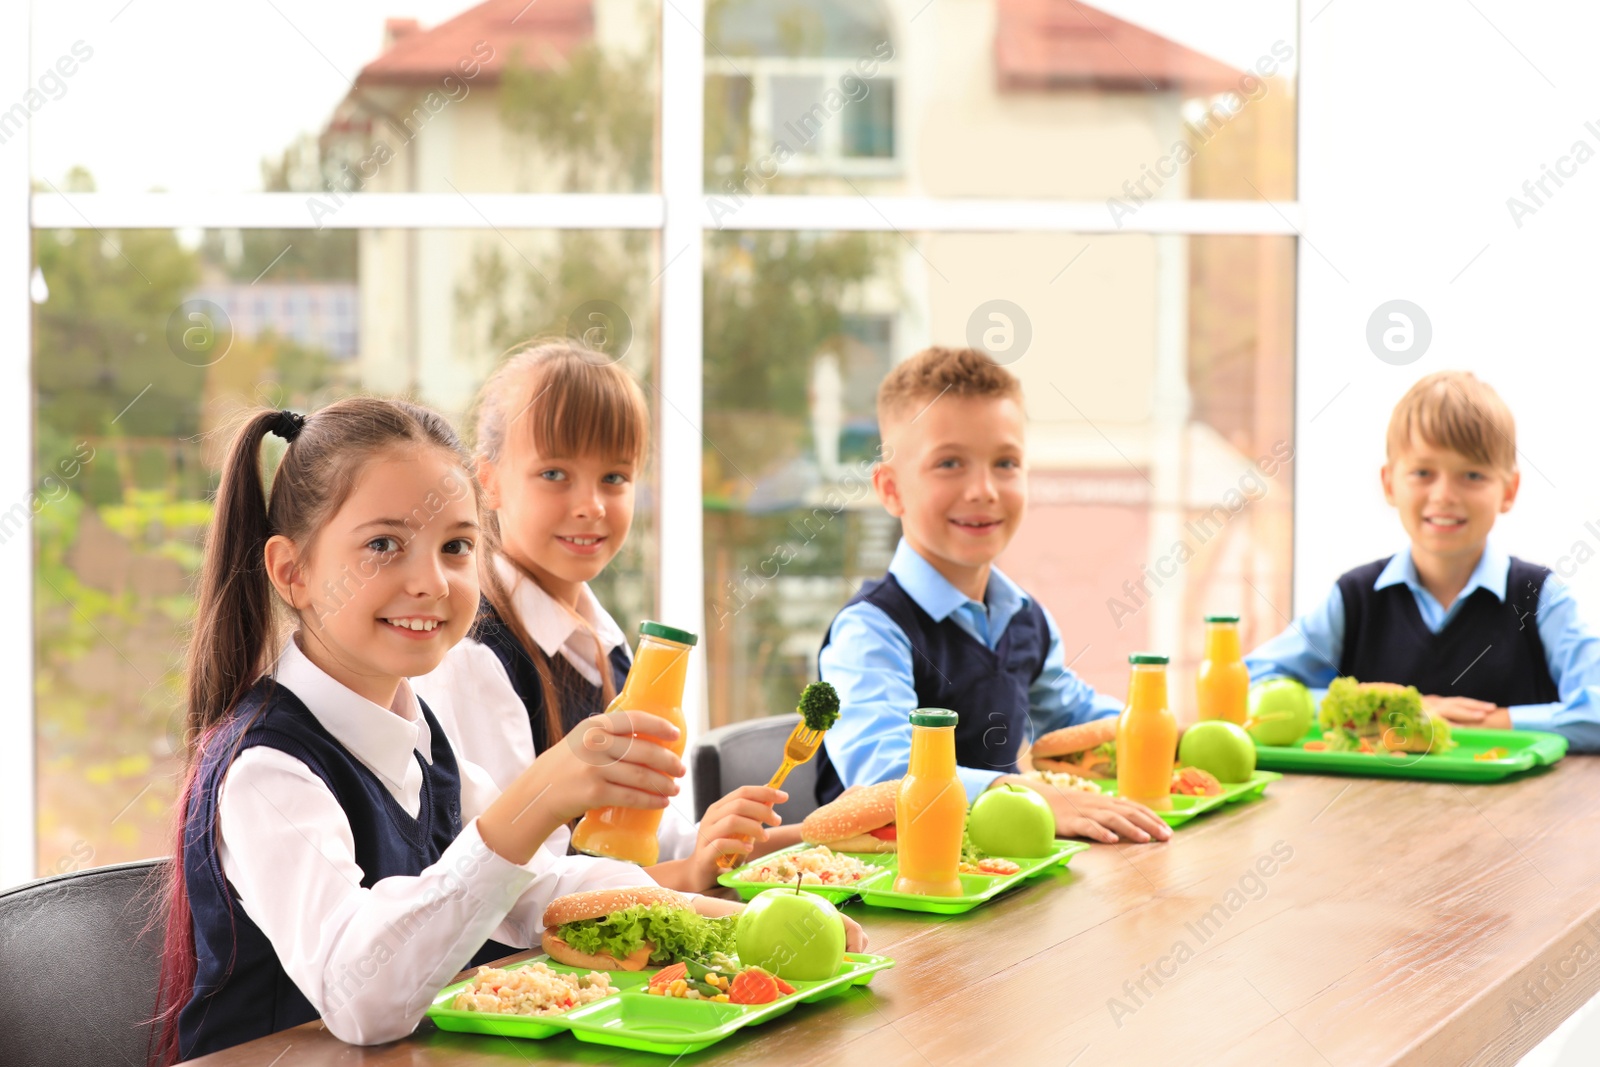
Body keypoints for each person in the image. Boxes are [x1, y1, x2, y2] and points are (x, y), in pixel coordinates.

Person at [150, 399, 766, 1063]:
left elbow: (539, 889)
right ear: (292, 571)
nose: (431, 581)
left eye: (456, 546)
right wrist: (537, 796)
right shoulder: (263, 769)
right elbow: (362, 999)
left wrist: (742, 927)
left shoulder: (421, 733)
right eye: (383, 545)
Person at [414, 342, 799, 890]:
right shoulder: (475, 658)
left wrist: (789, 835)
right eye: (554, 474)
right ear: (490, 481)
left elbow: (650, 844)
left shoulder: (607, 646)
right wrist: (690, 871)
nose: (591, 504)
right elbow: (518, 892)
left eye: (614, 478)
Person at [815, 346, 1171, 844]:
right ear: (891, 490)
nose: (983, 489)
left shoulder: (1026, 618)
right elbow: (886, 777)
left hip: (999, 873)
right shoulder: (870, 632)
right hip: (882, 897)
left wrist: (1165, 735)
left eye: (1005, 462)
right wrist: (1029, 795)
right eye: (950, 463)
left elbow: (1072, 718)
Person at [1246, 370, 1600, 751]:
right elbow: (1256, 684)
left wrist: (1491, 723)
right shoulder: (1355, 598)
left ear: (1509, 490)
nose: (1445, 495)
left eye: (1472, 475)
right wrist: (1395, 710)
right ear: (1389, 483)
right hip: (1374, 809)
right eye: (1422, 473)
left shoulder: (1540, 596)